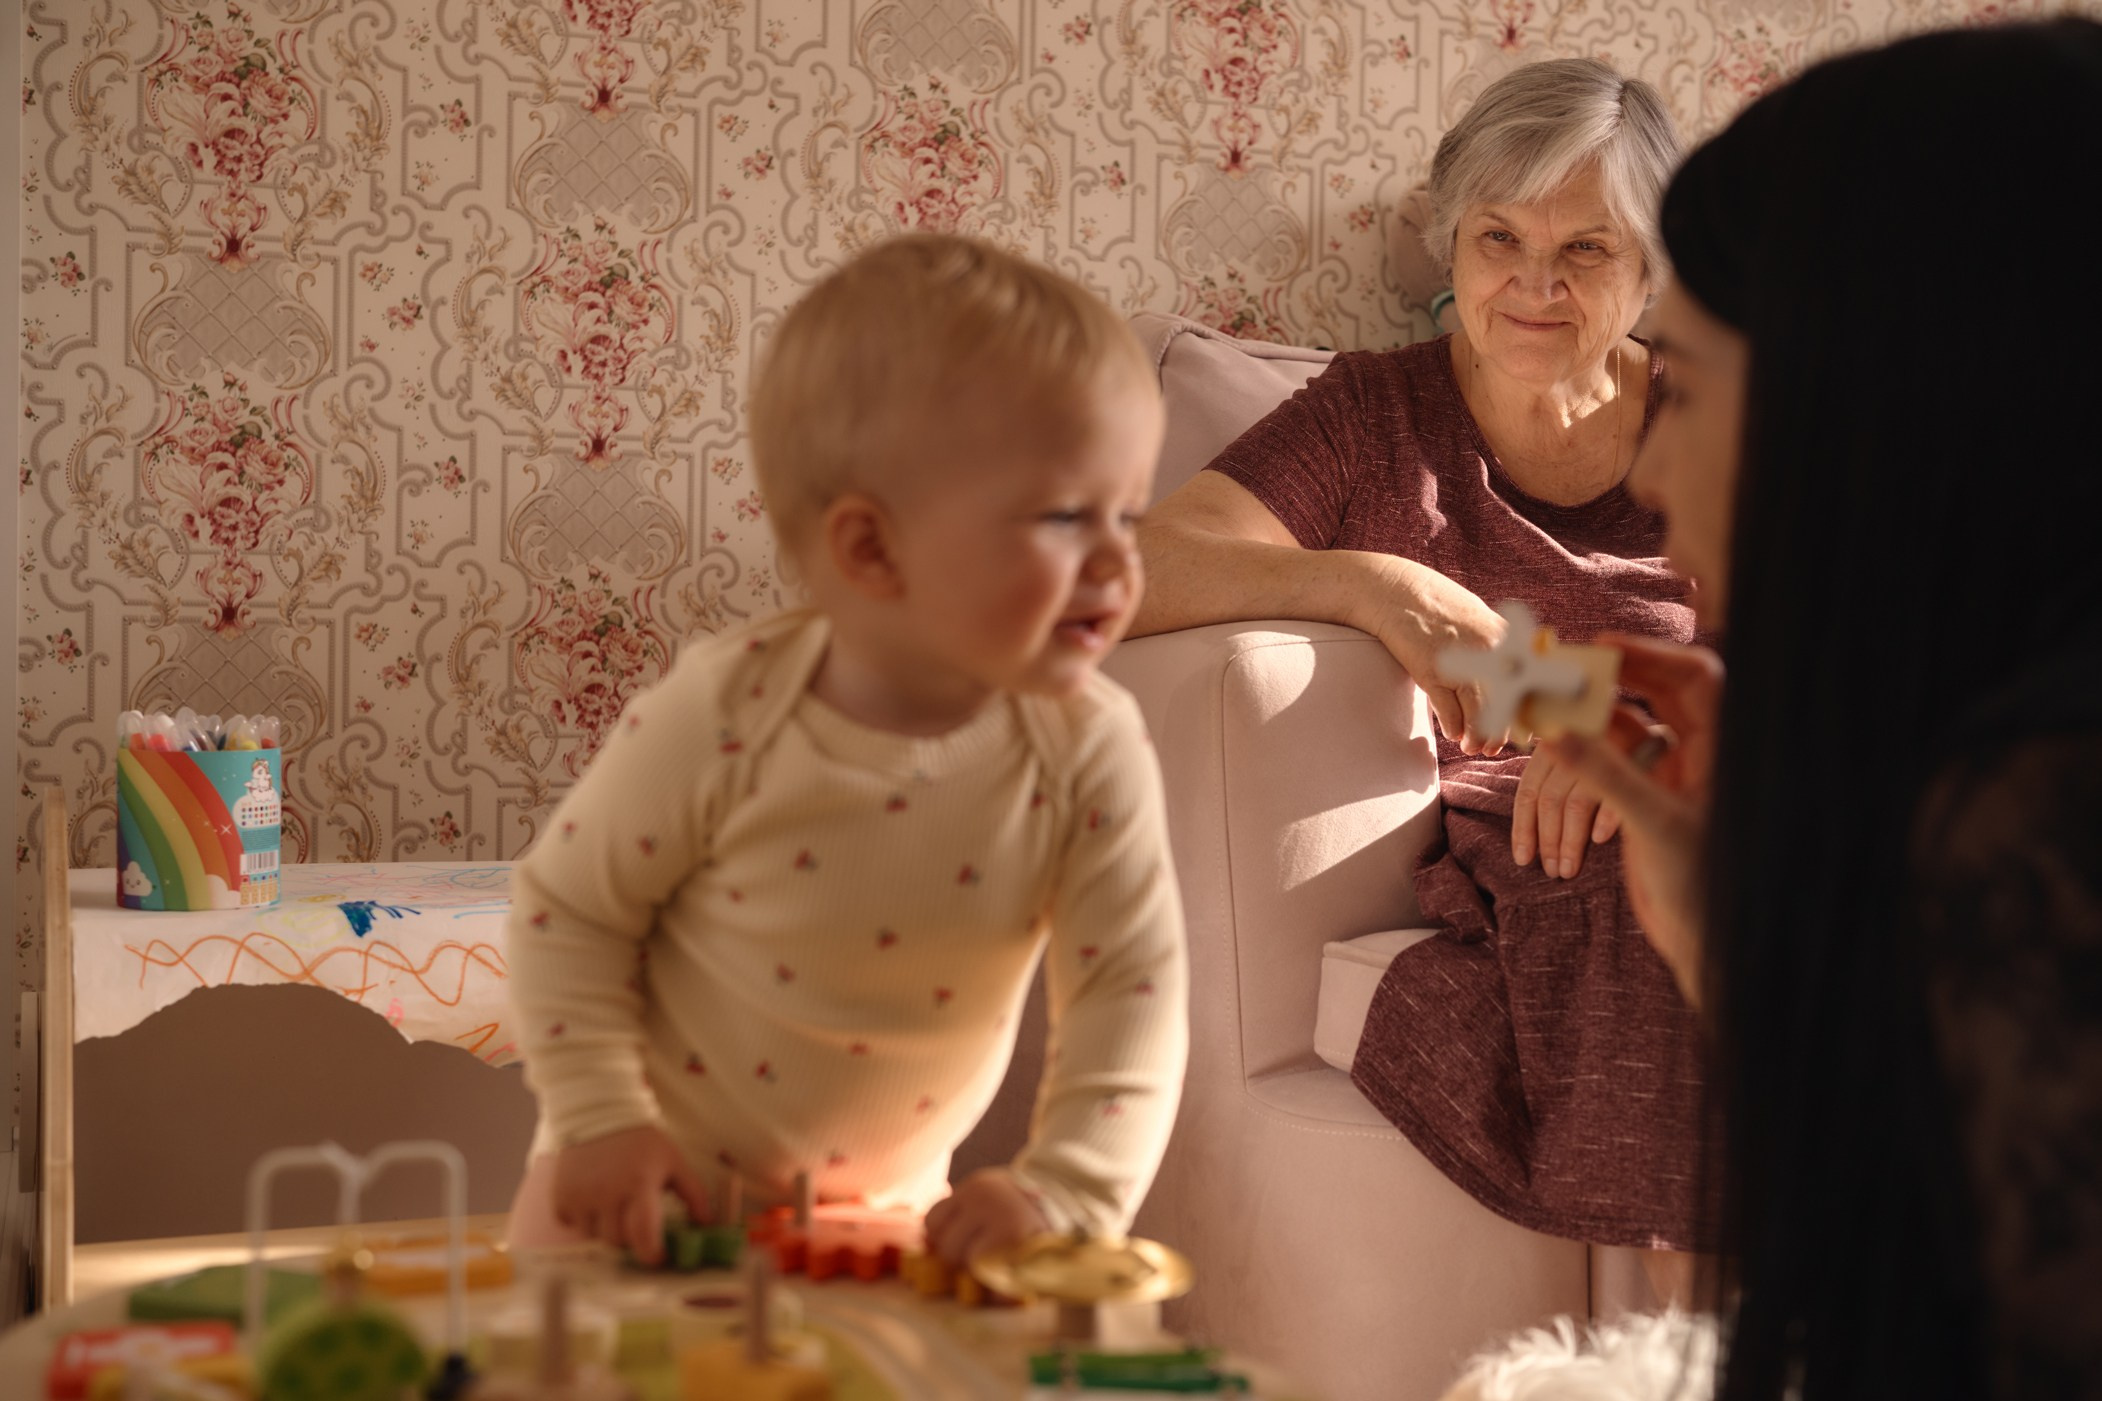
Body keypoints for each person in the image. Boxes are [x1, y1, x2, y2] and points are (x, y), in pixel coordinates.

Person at [1544, 19, 2102, 1398]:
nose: (1651, 469)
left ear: (1881, 397)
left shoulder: (2040, 817)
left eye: (1675, 382)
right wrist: (1731, 927)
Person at [1131, 57, 1710, 1287]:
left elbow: (1848, 646)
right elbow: (1132, 573)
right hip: (1528, 845)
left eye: (1587, 251)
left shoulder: (1712, 422)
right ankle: (1695, 1344)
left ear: (1649, 268)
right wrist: (1365, 583)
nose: (1534, 284)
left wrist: (1647, 737)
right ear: (1448, 242)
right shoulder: (1369, 419)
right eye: (1498, 235)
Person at [503, 233, 1188, 1270]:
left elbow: (1129, 991)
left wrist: (1065, 1193)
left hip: (878, 1220)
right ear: (871, 548)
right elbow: (571, 911)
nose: (1116, 562)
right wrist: (598, 1120)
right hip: (634, 1196)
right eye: (1062, 517)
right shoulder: (727, 711)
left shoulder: (1088, 752)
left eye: (1126, 515)